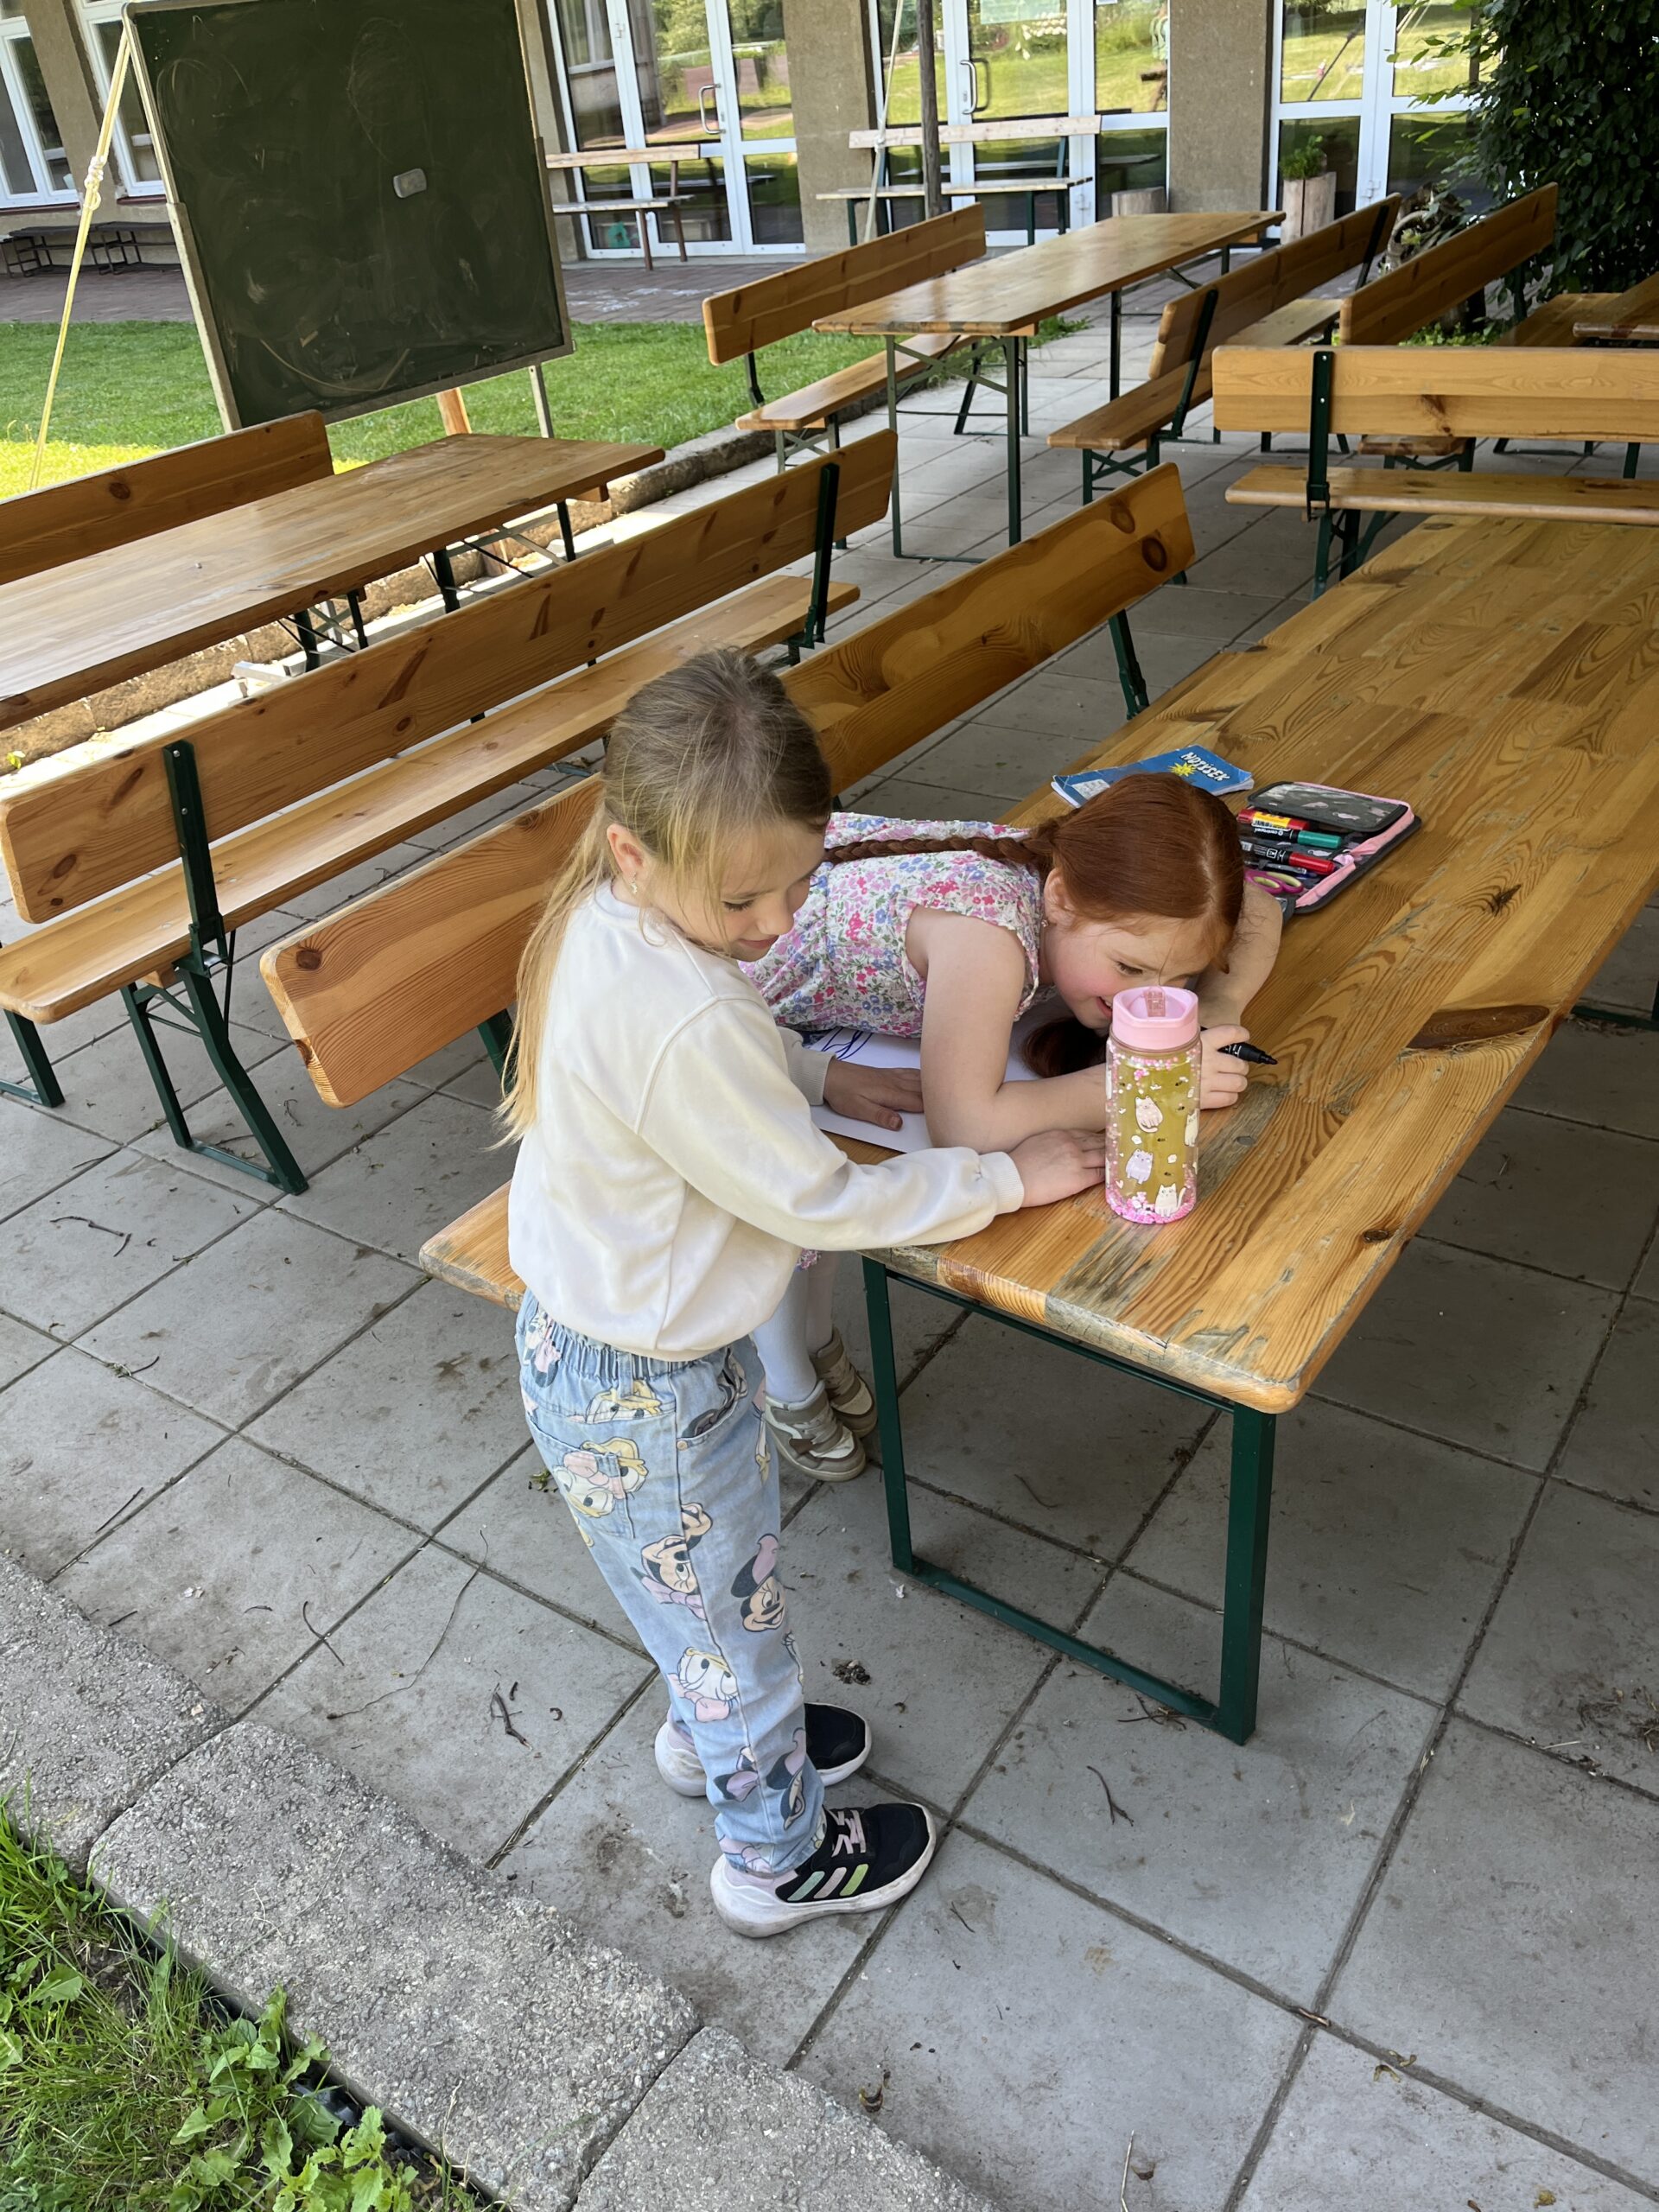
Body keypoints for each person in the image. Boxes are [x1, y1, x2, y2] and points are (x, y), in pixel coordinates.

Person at [502, 647, 1103, 1938]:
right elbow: (819, 1204)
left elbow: (724, 1024)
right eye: (745, 900)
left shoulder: (616, 921)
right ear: (636, 854)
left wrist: (822, 1077)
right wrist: (1002, 1175)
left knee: (700, 1604)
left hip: (599, 1349)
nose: (776, 925)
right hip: (652, 1390)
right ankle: (774, 1856)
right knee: (737, 1628)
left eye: (799, 882)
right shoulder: (683, 1012)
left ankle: (709, 1734)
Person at [743, 777, 1281, 1477]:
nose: (1148, 999)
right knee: (788, 1185)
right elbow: (965, 1126)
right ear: (1059, 899)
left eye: (1179, 978)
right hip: (731, 1021)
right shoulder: (987, 939)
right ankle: (787, 1379)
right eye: (1129, 968)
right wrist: (1139, 1080)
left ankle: (806, 1353)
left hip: (785, 977)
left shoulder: (1074, 880)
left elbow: (1260, 905)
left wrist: (1217, 1003)